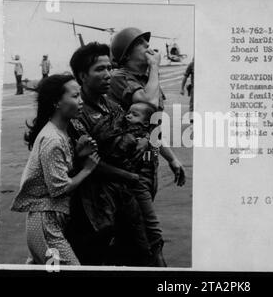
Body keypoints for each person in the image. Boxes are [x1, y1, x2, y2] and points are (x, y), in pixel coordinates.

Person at [67, 42, 157, 266]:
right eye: (100, 69)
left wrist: (144, 140)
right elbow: (89, 164)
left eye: (109, 67)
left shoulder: (113, 106)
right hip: (94, 207)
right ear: (82, 76)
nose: (108, 74)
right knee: (95, 261)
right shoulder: (77, 113)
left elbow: (134, 129)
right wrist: (129, 177)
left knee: (141, 256)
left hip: (125, 201)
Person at [10, 74, 100, 265]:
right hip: (46, 225)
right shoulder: (53, 139)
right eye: (75, 96)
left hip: (48, 223)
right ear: (57, 102)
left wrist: (77, 154)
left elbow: (55, 171)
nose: (81, 101)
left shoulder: (59, 132)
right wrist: (87, 169)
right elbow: (58, 188)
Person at [109, 27, 186, 197]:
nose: (148, 46)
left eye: (147, 42)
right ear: (126, 55)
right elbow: (148, 102)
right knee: (143, 222)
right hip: (129, 167)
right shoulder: (119, 77)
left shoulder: (147, 81)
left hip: (149, 163)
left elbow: (151, 128)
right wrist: (154, 67)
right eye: (140, 44)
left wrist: (171, 158)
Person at [180, 57, 194, 122]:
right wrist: (182, 89)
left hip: (203, 88)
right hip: (194, 88)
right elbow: (185, 76)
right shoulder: (191, 65)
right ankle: (192, 119)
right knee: (192, 104)